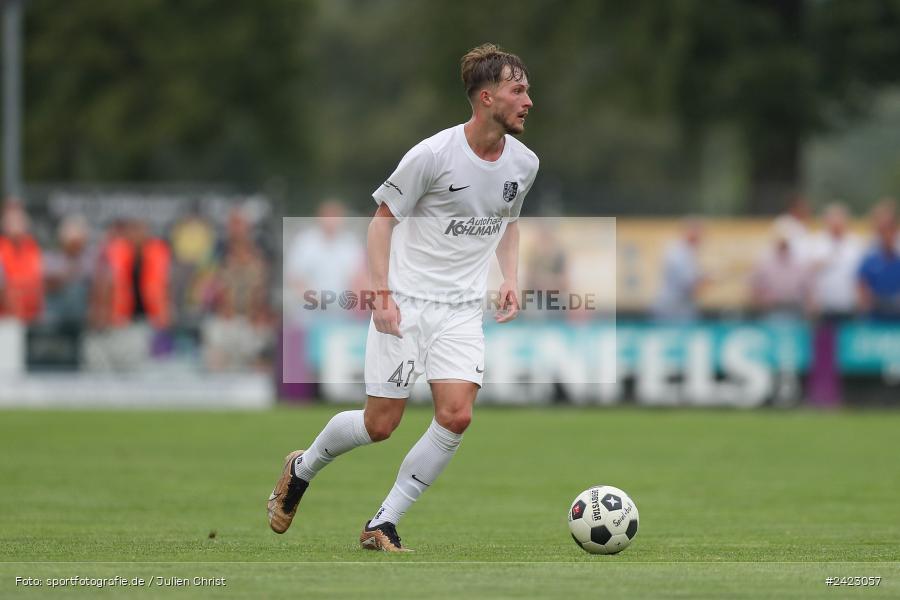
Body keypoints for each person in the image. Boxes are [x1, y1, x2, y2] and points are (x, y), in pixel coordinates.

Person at [267, 43, 538, 551]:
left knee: (457, 414)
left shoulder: (524, 163)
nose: (528, 101)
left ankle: (383, 522)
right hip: (407, 303)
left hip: (460, 311)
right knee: (380, 424)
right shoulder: (431, 155)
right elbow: (380, 224)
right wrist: (381, 294)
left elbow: (509, 224)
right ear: (485, 98)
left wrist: (510, 278)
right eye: (517, 90)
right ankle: (301, 468)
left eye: (527, 90)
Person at [652, 218, 706, 321]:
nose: (700, 236)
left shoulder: (689, 252)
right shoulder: (678, 252)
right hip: (672, 309)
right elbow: (688, 285)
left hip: (680, 307)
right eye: (697, 232)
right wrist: (705, 281)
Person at [0, 201, 43, 323]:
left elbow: (36, 281)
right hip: (6, 317)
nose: (16, 225)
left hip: (32, 314)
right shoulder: (1, 247)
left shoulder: (32, 246)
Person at [858, 199, 900, 319]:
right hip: (875, 313)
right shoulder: (869, 252)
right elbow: (862, 282)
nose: (885, 233)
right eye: (882, 228)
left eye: (888, 227)